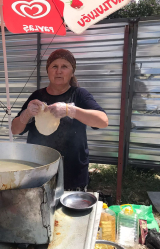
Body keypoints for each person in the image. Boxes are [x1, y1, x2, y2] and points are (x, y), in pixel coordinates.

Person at [11, 49, 108, 191]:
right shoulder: (37, 96)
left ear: (72, 72)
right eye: (54, 66)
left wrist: (70, 110)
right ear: (48, 71)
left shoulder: (79, 95)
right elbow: (15, 129)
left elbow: (103, 121)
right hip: (39, 170)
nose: (59, 71)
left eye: (64, 66)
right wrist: (26, 114)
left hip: (72, 173)